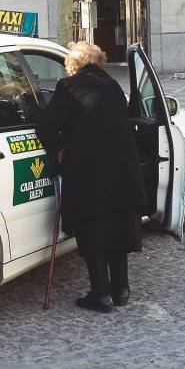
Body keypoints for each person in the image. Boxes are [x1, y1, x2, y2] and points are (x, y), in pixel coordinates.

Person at [37, 41, 147, 313]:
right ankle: (121, 289)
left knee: (93, 229)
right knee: (119, 226)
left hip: (90, 172)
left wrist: (59, 149)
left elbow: (46, 125)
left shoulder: (69, 87)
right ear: (98, 62)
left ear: (73, 65)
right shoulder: (112, 87)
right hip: (122, 170)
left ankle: (100, 294)